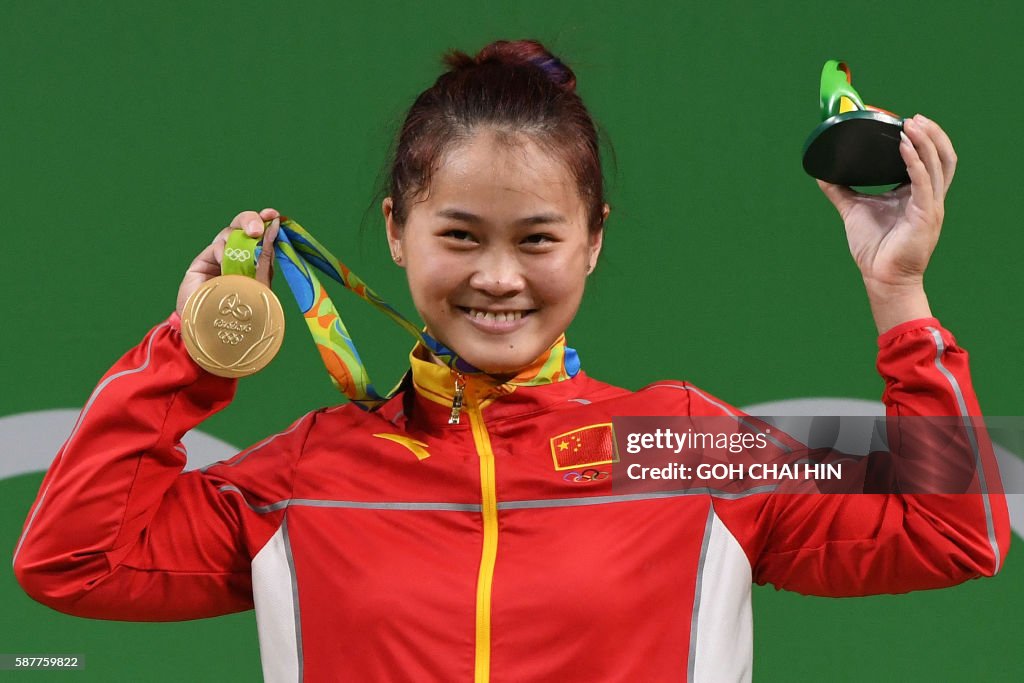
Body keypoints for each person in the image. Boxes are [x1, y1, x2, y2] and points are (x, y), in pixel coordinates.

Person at [12, 39, 1010, 682]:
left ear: (593, 241)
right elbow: (70, 558)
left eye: (536, 238)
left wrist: (898, 293)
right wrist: (194, 349)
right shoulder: (312, 474)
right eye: (460, 235)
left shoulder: (674, 447)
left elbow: (950, 531)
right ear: (398, 232)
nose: (499, 277)